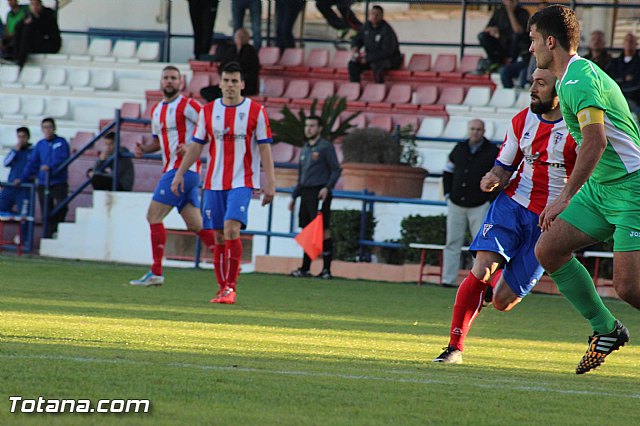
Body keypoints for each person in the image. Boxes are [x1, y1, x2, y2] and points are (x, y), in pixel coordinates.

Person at [433, 68, 578, 364]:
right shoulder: (521, 121)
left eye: (541, 83)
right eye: (533, 82)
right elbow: (504, 166)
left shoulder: (577, 131)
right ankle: (454, 348)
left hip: (547, 221)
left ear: (559, 92)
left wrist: (566, 205)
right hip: (512, 204)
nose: (533, 89)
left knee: (502, 302)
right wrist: (492, 177)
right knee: (481, 267)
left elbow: (583, 181)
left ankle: (489, 291)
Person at [530, 5, 640, 374]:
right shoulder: (566, 79)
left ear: (550, 41)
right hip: (600, 189)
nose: (531, 49)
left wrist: (564, 196)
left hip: (632, 188)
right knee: (549, 248)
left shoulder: (578, 80)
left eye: (533, 40)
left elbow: (596, 143)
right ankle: (605, 330)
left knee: (628, 288)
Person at [171, 61, 276, 305]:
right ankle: (221, 288)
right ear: (220, 83)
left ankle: (231, 288)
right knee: (218, 236)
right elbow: (197, 145)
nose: (230, 85)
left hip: (242, 181)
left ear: (243, 84)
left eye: (234, 81)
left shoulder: (256, 111)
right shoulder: (208, 112)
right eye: (226, 81)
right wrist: (179, 173)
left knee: (231, 228)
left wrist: (270, 181)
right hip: (213, 183)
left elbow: (265, 148)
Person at [129, 65, 217, 287]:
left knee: (153, 216)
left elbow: (210, 125)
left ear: (181, 83)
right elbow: (159, 142)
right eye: (166, 78)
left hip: (181, 170)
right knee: (196, 225)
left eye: (173, 78)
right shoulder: (157, 110)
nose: (169, 81)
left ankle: (156, 272)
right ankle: (223, 257)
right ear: (161, 82)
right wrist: (144, 149)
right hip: (180, 172)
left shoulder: (188, 105)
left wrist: (191, 146)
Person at [441, 119, 499, 288]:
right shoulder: (459, 148)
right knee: (452, 242)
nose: (475, 132)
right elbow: (447, 171)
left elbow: (499, 177)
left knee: (481, 246)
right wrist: (447, 194)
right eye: (473, 129)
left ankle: (478, 282)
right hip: (456, 203)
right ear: (468, 130)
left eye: (479, 129)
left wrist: (490, 201)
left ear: (484, 131)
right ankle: (448, 279)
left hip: (480, 205)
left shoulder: (492, 151)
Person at [289, 115, 342, 279]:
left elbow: (336, 169)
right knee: (307, 231)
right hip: (305, 193)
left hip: (320, 193)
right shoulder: (305, 149)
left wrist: (327, 187)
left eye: (312, 126)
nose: (309, 129)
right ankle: (305, 268)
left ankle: (326, 269)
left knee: (323, 230)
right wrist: (294, 196)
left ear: (319, 128)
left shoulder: (325, 147)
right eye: (307, 126)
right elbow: (301, 175)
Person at [14, 118, 69, 239]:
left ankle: (56, 230)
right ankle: (48, 236)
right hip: (44, 182)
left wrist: (51, 168)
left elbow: (63, 159)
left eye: (49, 127)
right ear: (42, 130)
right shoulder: (40, 145)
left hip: (58, 181)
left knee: (62, 206)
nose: (47, 130)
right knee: (46, 210)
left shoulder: (62, 142)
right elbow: (32, 164)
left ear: (54, 128)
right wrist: (22, 178)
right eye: (45, 127)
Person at [200, 28, 260, 102]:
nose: (240, 38)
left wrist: (236, 79)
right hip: (228, 84)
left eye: (242, 36)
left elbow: (251, 73)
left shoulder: (251, 51)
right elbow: (222, 66)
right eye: (238, 36)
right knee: (206, 91)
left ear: (247, 38)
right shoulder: (231, 50)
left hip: (244, 86)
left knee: (223, 94)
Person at [348, 5, 402, 84]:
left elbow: (387, 51)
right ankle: (355, 86)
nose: (374, 16)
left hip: (390, 59)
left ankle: (378, 88)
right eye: (372, 14)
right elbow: (358, 39)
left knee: (377, 65)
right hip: (370, 58)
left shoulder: (387, 30)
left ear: (381, 16)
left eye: (377, 15)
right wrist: (355, 46)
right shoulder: (366, 27)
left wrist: (368, 58)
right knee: (353, 64)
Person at [476, 0, 530, 74]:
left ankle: (511, 62)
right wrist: (492, 29)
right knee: (482, 36)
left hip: (516, 48)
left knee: (515, 36)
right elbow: (486, 29)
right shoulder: (499, 11)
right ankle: (494, 61)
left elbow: (518, 31)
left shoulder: (523, 12)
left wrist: (510, 13)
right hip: (502, 45)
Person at [11, 0, 61, 67]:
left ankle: (21, 60)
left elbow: (43, 29)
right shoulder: (29, 14)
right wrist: (23, 22)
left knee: (28, 29)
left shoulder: (48, 13)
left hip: (49, 43)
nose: (35, 7)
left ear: (41, 5)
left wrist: (35, 18)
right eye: (32, 5)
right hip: (38, 42)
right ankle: (16, 56)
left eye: (37, 5)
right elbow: (17, 27)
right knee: (21, 29)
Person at [0, 127, 33, 216]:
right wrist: (15, 151)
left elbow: (34, 169)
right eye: (19, 137)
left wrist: (22, 179)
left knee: (25, 216)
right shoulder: (15, 151)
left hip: (24, 188)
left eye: (23, 137)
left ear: (28, 137)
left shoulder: (33, 152)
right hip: (10, 186)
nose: (21, 140)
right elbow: (6, 163)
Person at [606, 33, 640, 110]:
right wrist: (625, 78)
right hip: (613, 99)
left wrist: (620, 80)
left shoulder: (638, 64)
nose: (629, 43)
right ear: (623, 43)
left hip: (632, 100)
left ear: (636, 44)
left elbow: (637, 84)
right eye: (627, 40)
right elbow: (608, 79)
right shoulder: (614, 62)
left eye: (631, 41)